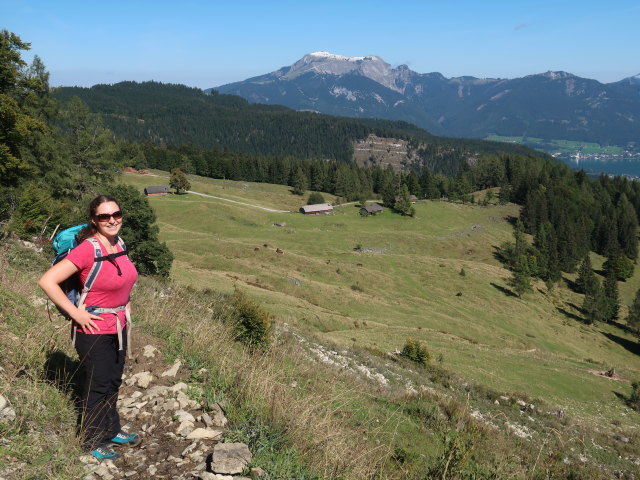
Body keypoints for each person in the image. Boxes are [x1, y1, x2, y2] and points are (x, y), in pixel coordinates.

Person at [39, 194, 140, 461]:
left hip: (118, 326)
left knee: (113, 380)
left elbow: (122, 279)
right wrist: (75, 313)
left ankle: (111, 429)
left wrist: (126, 304)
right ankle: (91, 440)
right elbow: (47, 281)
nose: (112, 220)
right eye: (104, 216)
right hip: (93, 329)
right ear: (94, 220)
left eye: (116, 214)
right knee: (98, 384)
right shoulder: (87, 248)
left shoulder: (120, 243)